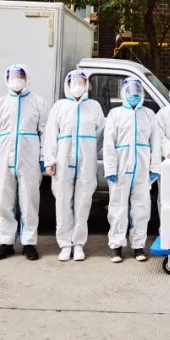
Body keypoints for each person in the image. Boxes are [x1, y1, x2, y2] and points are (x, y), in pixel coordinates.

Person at [0, 64, 49, 261]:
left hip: (29, 159)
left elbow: (45, 132)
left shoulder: (38, 102)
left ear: (26, 78)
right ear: (6, 79)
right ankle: (6, 243)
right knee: (5, 202)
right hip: (4, 158)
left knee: (29, 201)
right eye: (13, 76)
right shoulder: (0, 104)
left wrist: (43, 157)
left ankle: (29, 243)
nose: (17, 79)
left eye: (20, 76)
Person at [43, 70, 105, 262]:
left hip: (86, 164)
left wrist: (90, 152)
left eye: (81, 82)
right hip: (63, 163)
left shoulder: (94, 107)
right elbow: (50, 135)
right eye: (74, 82)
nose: (77, 85)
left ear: (86, 85)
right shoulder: (59, 107)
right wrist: (49, 160)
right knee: (62, 202)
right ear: (67, 85)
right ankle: (64, 244)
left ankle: (78, 244)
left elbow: (101, 135)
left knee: (83, 203)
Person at [103, 78, 161, 263]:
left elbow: (156, 142)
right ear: (123, 93)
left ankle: (138, 246)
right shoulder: (115, 114)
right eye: (130, 90)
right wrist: (110, 168)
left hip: (142, 169)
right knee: (118, 207)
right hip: (120, 168)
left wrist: (155, 166)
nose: (134, 94)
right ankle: (116, 246)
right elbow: (108, 143)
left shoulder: (149, 115)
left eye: (137, 90)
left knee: (141, 207)